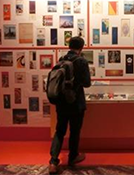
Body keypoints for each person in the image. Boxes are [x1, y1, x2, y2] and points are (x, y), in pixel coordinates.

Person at [49, 36, 91, 174]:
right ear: (81, 47)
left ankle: (53, 161)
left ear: (69, 46)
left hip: (61, 103)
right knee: (74, 131)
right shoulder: (81, 61)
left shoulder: (62, 60)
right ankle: (73, 156)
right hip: (76, 103)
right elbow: (87, 83)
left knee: (59, 131)